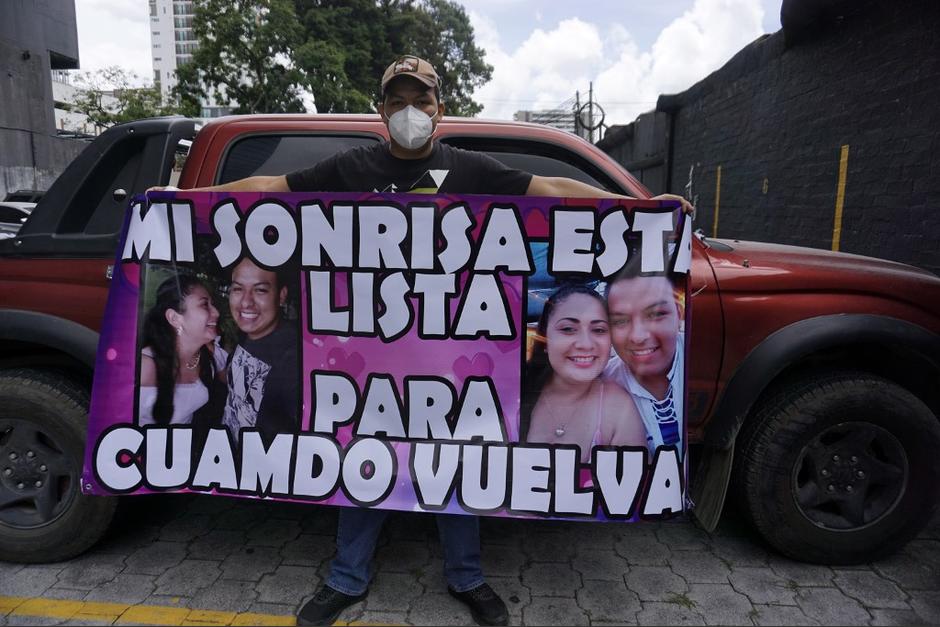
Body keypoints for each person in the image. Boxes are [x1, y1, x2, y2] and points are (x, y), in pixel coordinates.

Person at [151, 54, 693, 627]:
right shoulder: (353, 167)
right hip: (370, 361)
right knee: (363, 458)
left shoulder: (469, 168)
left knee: (456, 461)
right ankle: (345, 578)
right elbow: (265, 188)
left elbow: (554, 189)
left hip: (449, 361)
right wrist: (187, 198)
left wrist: (642, 208)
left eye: (423, 99)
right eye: (399, 100)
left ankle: (468, 577)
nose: (411, 111)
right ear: (380, 110)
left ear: (441, 107)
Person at [521, 285, 646, 463]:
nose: (585, 344)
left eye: (599, 330)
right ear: (545, 339)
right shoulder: (514, 391)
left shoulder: (618, 407)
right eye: (568, 329)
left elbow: (639, 486)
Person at [603, 264, 685, 459]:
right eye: (620, 321)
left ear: (679, 314)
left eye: (656, 314)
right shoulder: (603, 386)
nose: (638, 336)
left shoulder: (706, 360)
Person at [220, 257, 299, 440]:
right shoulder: (250, 331)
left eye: (260, 290)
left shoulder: (293, 356)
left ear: (281, 296)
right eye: (238, 289)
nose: (246, 302)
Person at [138, 274, 220, 426]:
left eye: (212, 305)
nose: (216, 313)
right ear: (175, 318)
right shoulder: (145, 367)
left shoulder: (205, 357)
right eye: (204, 305)